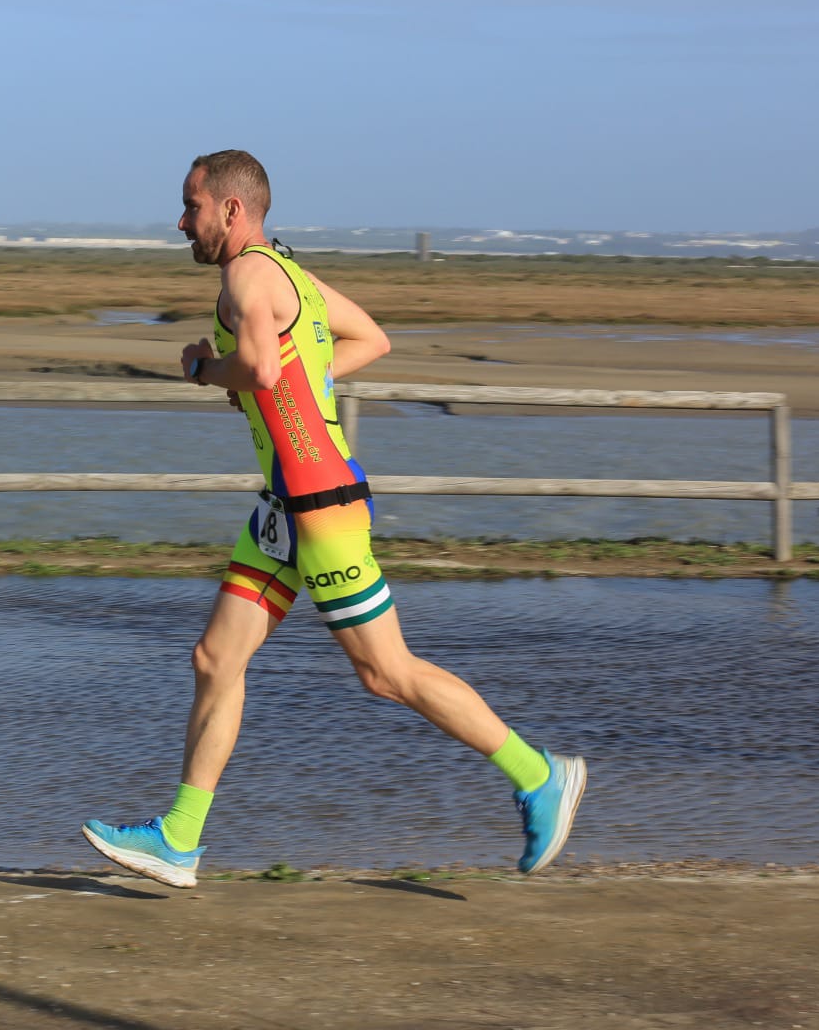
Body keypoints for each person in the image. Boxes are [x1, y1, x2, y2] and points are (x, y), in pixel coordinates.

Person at [81, 149, 586, 888]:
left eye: (191, 206)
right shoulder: (292, 275)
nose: (180, 221)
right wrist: (280, 383)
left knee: (386, 672)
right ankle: (179, 839)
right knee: (216, 660)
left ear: (232, 210)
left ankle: (540, 774)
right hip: (284, 505)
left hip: (320, 507)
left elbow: (256, 367)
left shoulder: (246, 275)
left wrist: (204, 368)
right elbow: (369, 339)